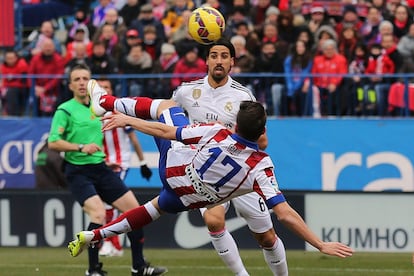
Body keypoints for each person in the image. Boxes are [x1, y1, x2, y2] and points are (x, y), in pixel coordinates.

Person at [77, 38, 300, 276]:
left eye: (224, 56)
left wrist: (225, 134)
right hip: (206, 170)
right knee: (214, 221)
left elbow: (262, 141)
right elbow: (169, 122)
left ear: (232, 62)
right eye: (214, 55)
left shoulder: (243, 95)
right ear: (206, 60)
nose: (219, 60)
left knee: (266, 237)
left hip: (240, 170)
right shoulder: (186, 91)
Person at [67, 87, 354, 271]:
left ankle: (105, 101)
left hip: (175, 172)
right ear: (263, 131)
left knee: (167, 108)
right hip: (191, 198)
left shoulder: (217, 131)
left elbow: (166, 132)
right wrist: (319, 244)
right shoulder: (261, 166)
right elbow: (285, 214)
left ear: (237, 124)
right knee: (152, 210)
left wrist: (128, 119)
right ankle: (95, 236)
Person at [47, 64, 166, 276]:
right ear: (70, 85)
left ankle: (139, 267)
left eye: (85, 78)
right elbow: (53, 142)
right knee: (98, 214)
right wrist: (81, 148)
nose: (82, 83)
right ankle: (93, 270)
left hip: (101, 168)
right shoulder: (65, 110)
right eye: (77, 79)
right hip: (77, 171)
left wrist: (104, 159)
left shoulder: (97, 108)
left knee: (135, 213)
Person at [97, 78, 153, 257]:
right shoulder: (92, 113)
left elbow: (133, 139)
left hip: (119, 163)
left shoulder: (118, 110)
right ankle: (116, 245)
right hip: (101, 163)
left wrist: (143, 162)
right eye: (101, 88)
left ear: (111, 90)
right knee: (109, 204)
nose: (104, 90)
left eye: (107, 87)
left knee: (109, 202)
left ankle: (109, 243)